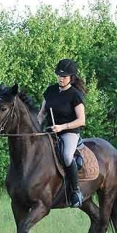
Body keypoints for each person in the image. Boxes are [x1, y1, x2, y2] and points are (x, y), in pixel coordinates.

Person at [37, 59, 86, 207]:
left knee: (66, 156)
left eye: (64, 76)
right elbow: (41, 114)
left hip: (68, 132)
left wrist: (62, 127)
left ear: (71, 77)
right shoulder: (50, 90)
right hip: (50, 131)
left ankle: (75, 191)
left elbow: (81, 120)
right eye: (58, 75)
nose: (60, 78)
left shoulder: (75, 95)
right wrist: (35, 128)